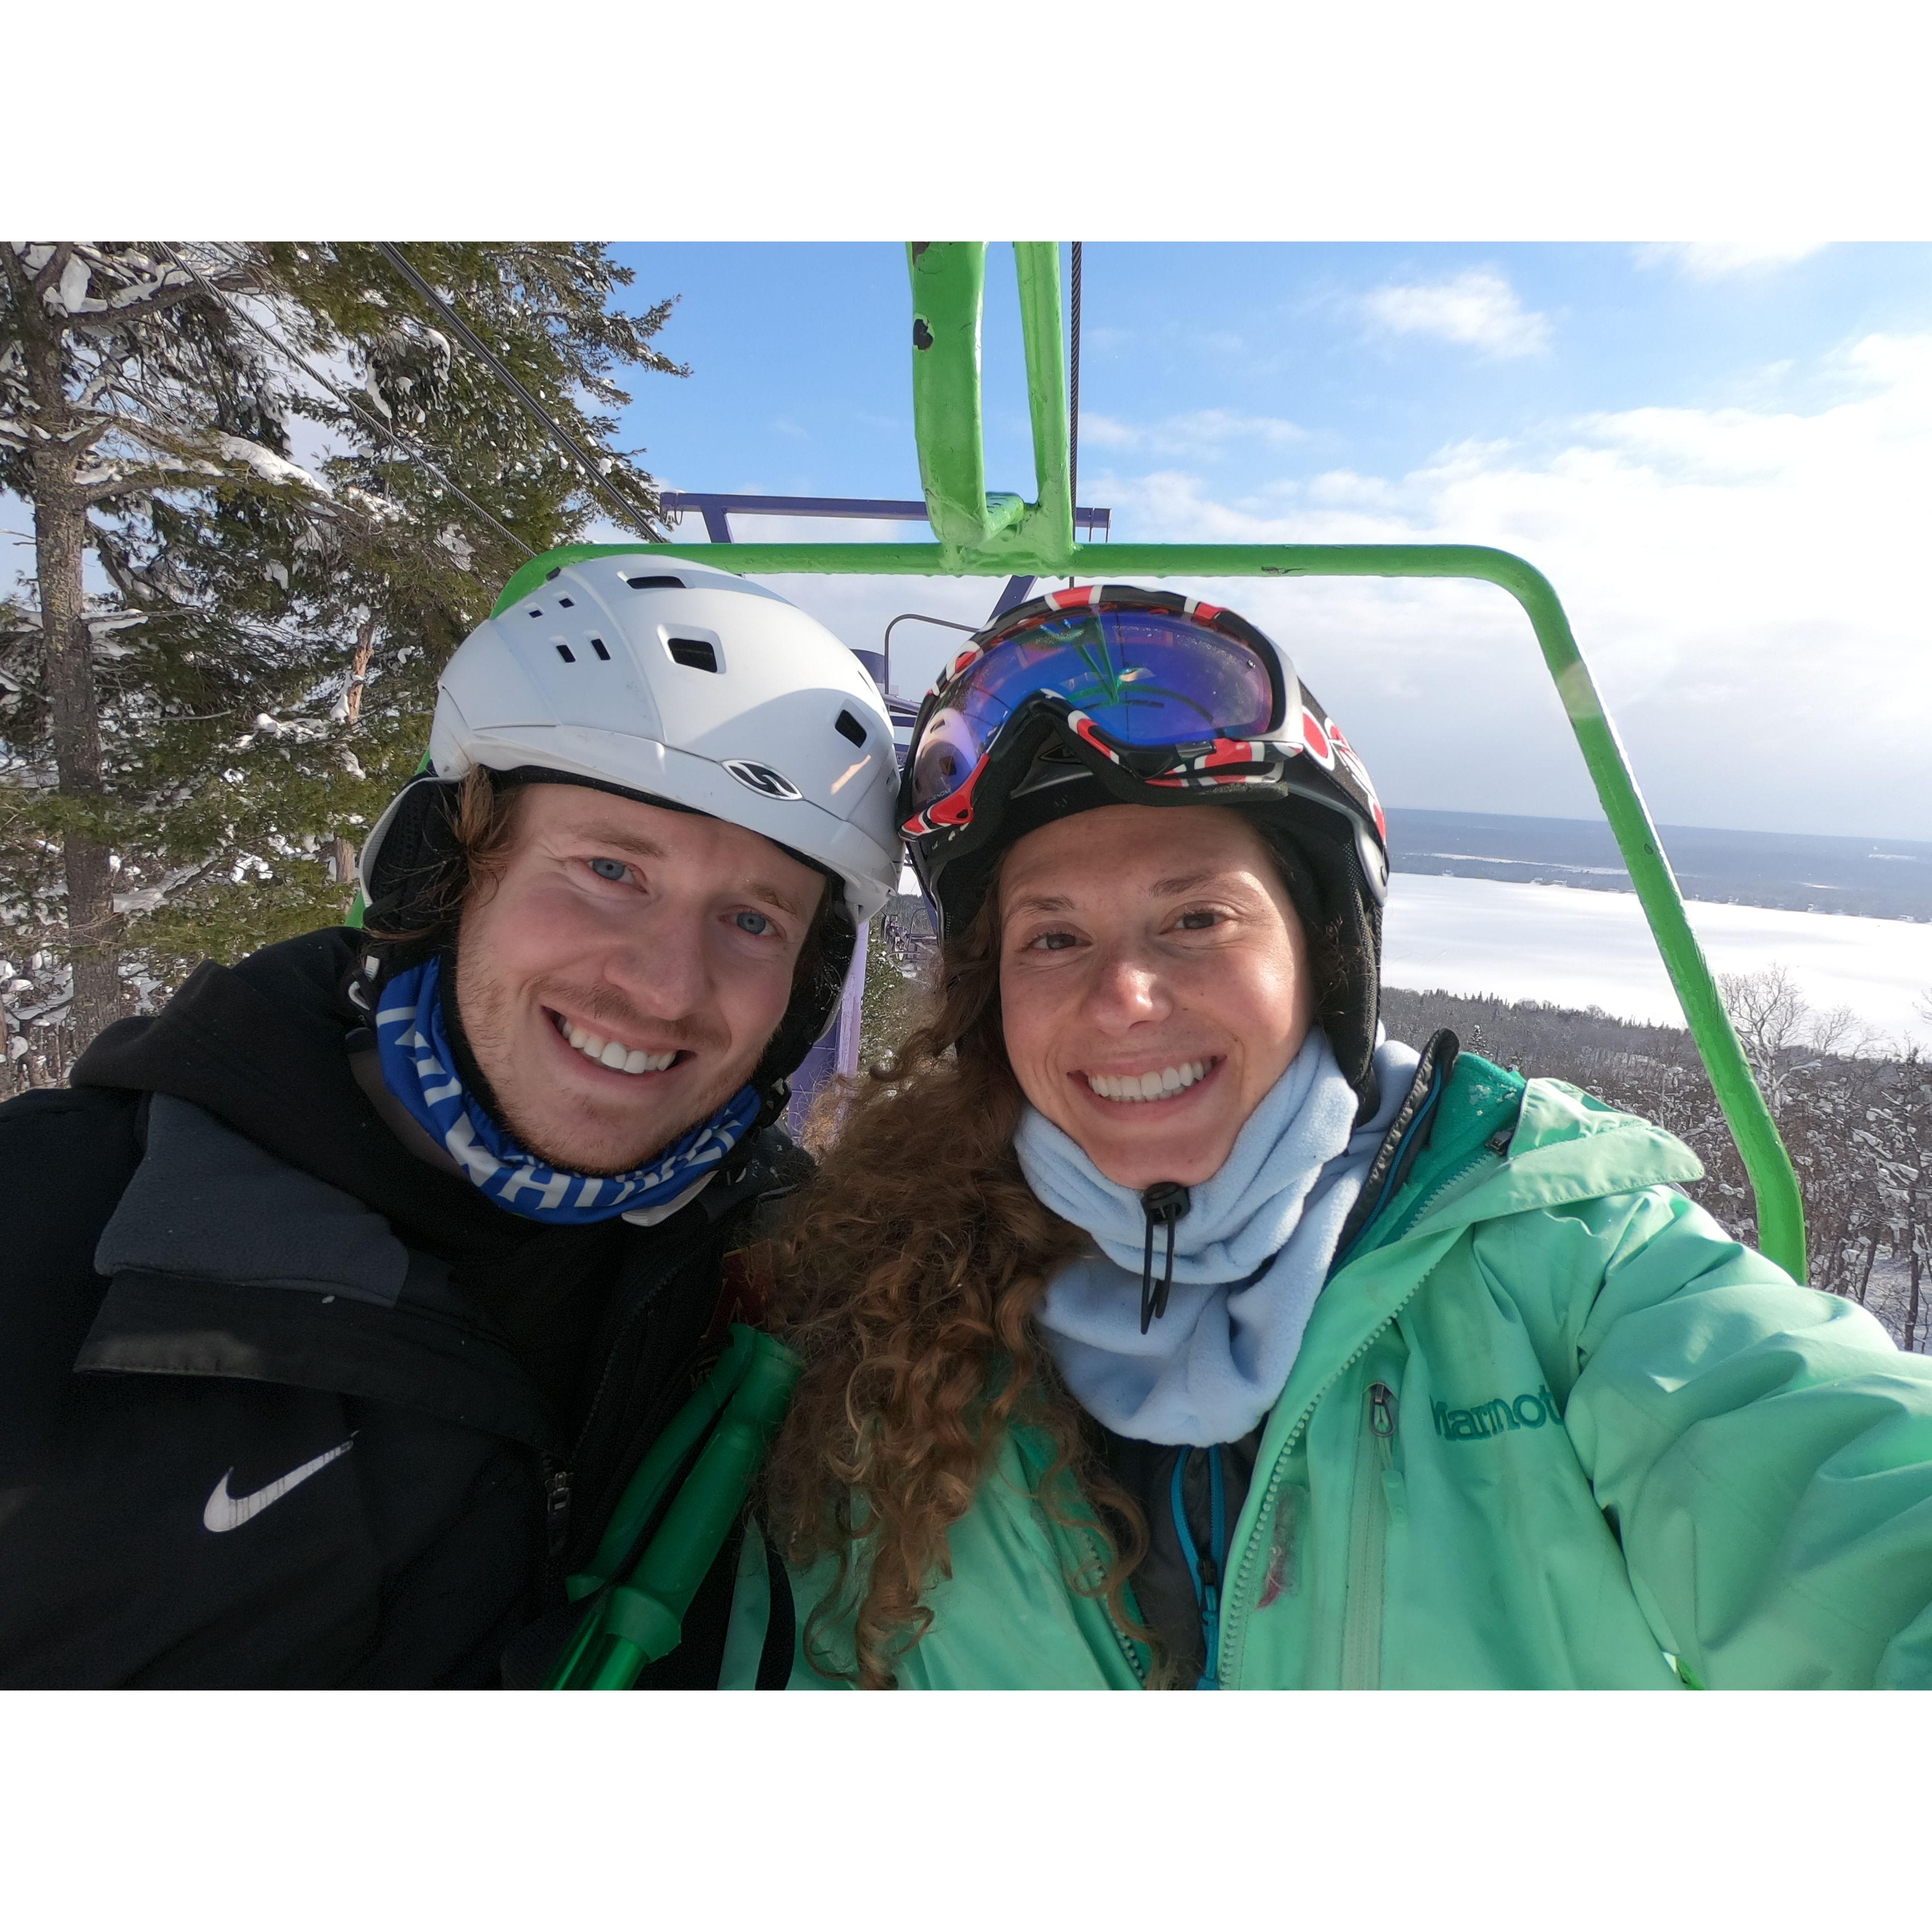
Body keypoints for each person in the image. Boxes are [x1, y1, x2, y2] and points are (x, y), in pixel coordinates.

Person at [746, 582, 1932, 1690]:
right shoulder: (874, 1309)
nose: (1124, 999)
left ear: (1321, 958)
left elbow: (1843, 1487)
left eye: (1196, 918)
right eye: (1051, 938)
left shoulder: (1564, 1256)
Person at [0, 557, 898, 1688]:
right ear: (445, 872)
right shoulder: (54, 1224)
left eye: (753, 921)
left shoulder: (806, 1293)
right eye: (610, 867)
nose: (667, 987)